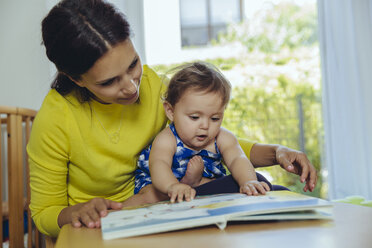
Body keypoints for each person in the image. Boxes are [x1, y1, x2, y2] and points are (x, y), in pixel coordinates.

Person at [28, 0, 317, 238]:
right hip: (100, 230)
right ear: (75, 79)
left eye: (133, 65)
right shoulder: (55, 120)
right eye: (109, 82)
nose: (131, 87)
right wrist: (75, 212)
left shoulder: (154, 86)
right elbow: (44, 214)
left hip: (163, 212)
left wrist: (278, 153)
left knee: (259, 194)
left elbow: (211, 140)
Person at [134, 62, 270, 203]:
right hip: (161, 185)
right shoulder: (167, 139)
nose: (205, 126)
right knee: (151, 196)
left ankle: (194, 185)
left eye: (215, 118)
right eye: (194, 117)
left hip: (201, 187)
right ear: (171, 111)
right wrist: (173, 186)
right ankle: (115, 211)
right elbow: (159, 165)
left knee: (230, 184)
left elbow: (237, 159)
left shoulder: (222, 138)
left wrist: (248, 181)